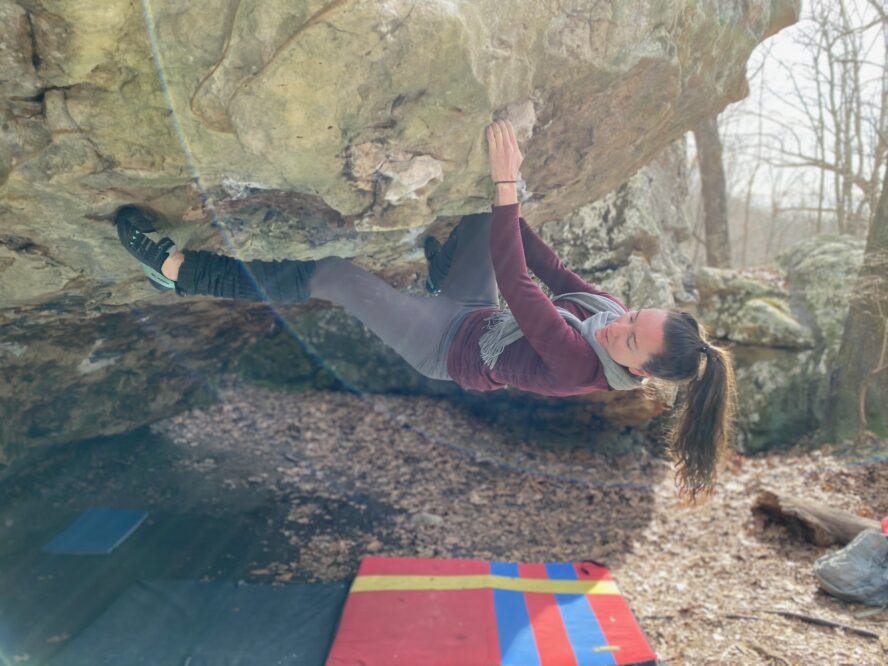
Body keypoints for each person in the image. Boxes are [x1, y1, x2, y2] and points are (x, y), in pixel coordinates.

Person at [116, 120, 736, 500]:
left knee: (336, 276)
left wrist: (507, 188)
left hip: (446, 348)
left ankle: (179, 272)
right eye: (634, 316)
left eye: (628, 338)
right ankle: (441, 273)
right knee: (480, 219)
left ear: (642, 372)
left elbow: (521, 287)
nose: (616, 323)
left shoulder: (580, 367)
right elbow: (545, 267)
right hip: (477, 309)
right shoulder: (610, 318)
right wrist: (504, 195)